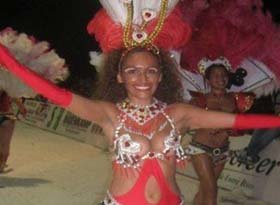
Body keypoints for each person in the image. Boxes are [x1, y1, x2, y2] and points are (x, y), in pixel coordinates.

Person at [1, 1, 280, 205]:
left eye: (150, 70)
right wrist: (8, 60)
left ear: (161, 76)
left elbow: (241, 121)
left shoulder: (179, 114)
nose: (142, 78)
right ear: (119, 76)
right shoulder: (108, 114)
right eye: (132, 71)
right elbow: (53, 93)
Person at [185, 58, 254, 205]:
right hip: (200, 149)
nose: (220, 78)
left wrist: (233, 128)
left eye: (223, 75)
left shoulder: (237, 99)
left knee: (205, 189)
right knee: (212, 190)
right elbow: (188, 121)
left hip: (222, 151)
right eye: (215, 75)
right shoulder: (199, 100)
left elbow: (243, 125)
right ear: (208, 79)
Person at [0, 89, 26, 173]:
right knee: (5, 144)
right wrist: (22, 110)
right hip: (9, 116)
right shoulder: (9, 87)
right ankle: (2, 165)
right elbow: (22, 109)